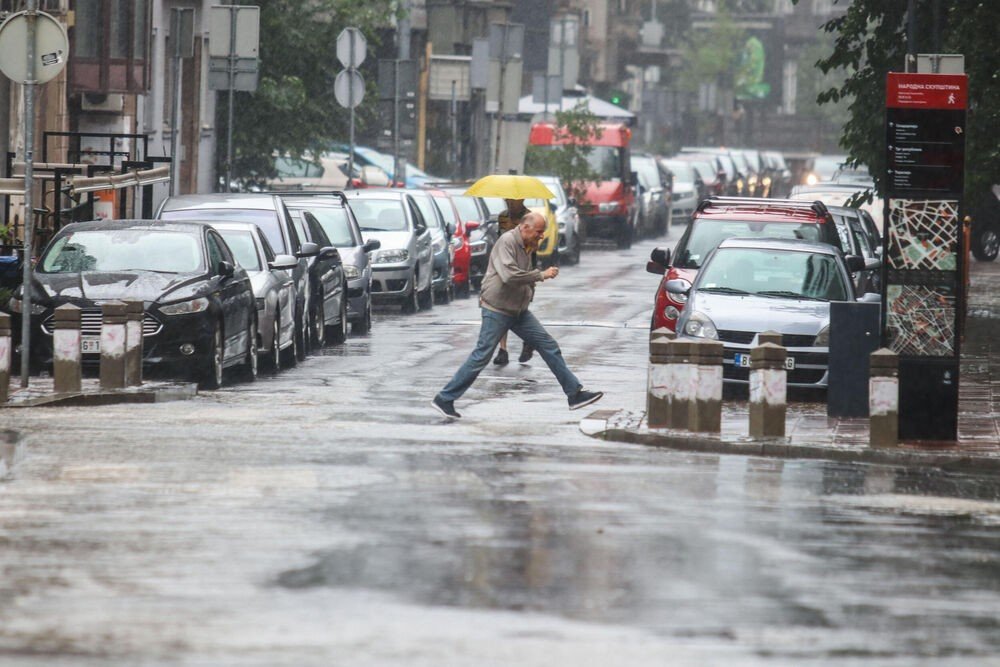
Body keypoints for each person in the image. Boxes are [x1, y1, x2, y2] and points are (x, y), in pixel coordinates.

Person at [431, 212, 603, 420]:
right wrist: (541, 274)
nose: (541, 236)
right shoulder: (507, 242)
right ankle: (445, 398)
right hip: (497, 308)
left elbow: (524, 279)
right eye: (538, 232)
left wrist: (533, 258)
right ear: (525, 227)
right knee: (481, 355)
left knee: (548, 345)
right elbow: (509, 276)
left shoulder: (525, 246)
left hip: (518, 311)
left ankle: (574, 394)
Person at [493, 197, 534, 366]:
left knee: (519, 308)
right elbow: (499, 241)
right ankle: (502, 350)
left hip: (524, 267)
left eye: (514, 200)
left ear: (522, 199)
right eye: (507, 200)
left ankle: (529, 339)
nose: (510, 203)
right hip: (504, 267)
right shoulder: (502, 217)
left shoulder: (530, 217)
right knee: (501, 307)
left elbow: (534, 242)